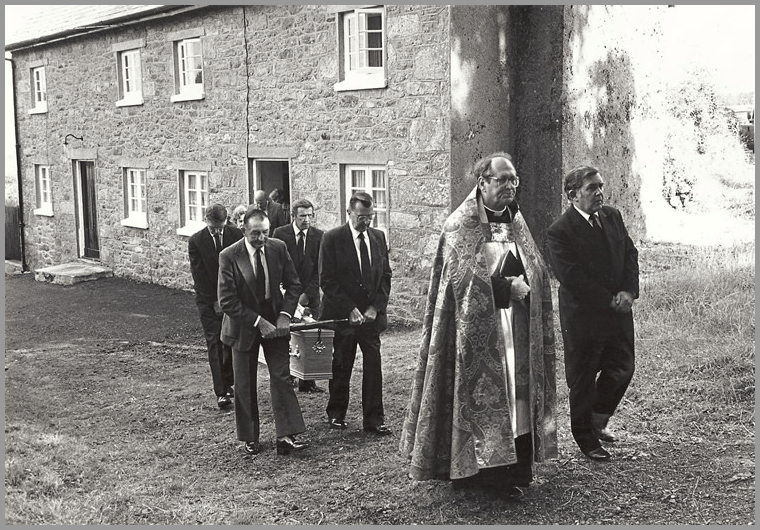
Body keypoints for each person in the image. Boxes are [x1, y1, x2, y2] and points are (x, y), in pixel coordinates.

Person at [399, 153, 557, 498]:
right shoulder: (461, 226)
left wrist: (527, 283)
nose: (510, 187)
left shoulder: (517, 222)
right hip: (472, 336)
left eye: (514, 180)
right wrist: (506, 287)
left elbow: (537, 269)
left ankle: (513, 473)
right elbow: (462, 284)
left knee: (516, 399)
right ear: (482, 182)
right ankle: (473, 475)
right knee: (480, 398)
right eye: (502, 180)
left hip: (515, 330)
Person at [547, 165, 639, 462]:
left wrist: (627, 291)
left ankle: (598, 420)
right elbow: (571, 277)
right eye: (592, 188)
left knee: (623, 365)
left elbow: (629, 253)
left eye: (600, 186)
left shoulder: (612, 216)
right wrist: (608, 300)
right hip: (583, 317)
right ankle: (585, 439)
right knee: (583, 377)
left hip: (618, 310)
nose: (599, 193)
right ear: (573, 195)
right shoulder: (560, 231)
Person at [218, 207, 309, 456]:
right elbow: (227, 301)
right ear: (244, 231)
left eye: (265, 233)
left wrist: (284, 316)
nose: (261, 239)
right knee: (245, 382)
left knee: (282, 376)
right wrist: (259, 322)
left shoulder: (278, 248)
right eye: (255, 234)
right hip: (243, 325)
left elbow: (294, 285)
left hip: (275, 320)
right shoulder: (229, 256)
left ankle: (286, 435)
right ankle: (250, 437)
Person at [319, 192, 392, 435]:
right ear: (349, 213)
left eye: (370, 217)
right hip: (343, 317)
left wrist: (375, 308)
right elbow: (327, 281)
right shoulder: (332, 239)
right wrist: (349, 309)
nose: (367, 222)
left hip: (370, 318)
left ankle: (374, 419)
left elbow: (385, 277)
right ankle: (336, 413)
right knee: (342, 365)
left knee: (373, 366)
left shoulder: (379, 237)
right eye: (362, 217)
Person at [188, 203, 243, 409]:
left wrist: (233, 297)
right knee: (215, 342)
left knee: (230, 340)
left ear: (226, 220)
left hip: (234, 298)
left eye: (220, 227)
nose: (217, 231)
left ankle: (229, 382)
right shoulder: (196, 241)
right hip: (208, 299)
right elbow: (199, 275)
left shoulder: (236, 235)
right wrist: (215, 301)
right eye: (213, 228)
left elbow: (240, 268)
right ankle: (221, 392)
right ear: (206, 221)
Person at [271, 198, 325, 393]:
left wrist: (307, 294)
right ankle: (289, 376)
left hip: (310, 295)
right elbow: (276, 266)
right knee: (288, 336)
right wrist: (291, 296)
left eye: (310, 215)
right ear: (293, 216)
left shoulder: (319, 236)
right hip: (287, 294)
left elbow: (320, 270)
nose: (307, 220)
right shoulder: (280, 234)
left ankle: (308, 381)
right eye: (302, 216)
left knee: (311, 334)